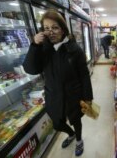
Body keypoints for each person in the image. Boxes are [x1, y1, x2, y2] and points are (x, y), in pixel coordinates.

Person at [23, 9, 93, 157]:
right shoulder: (43, 49)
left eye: (55, 27)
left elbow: (84, 75)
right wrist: (34, 45)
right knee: (56, 123)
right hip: (53, 95)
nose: (51, 32)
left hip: (73, 94)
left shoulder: (74, 49)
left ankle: (79, 140)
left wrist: (88, 97)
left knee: (75, 120)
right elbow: (31, 69)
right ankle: (71, 134)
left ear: (63, 29)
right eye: (46, 28)